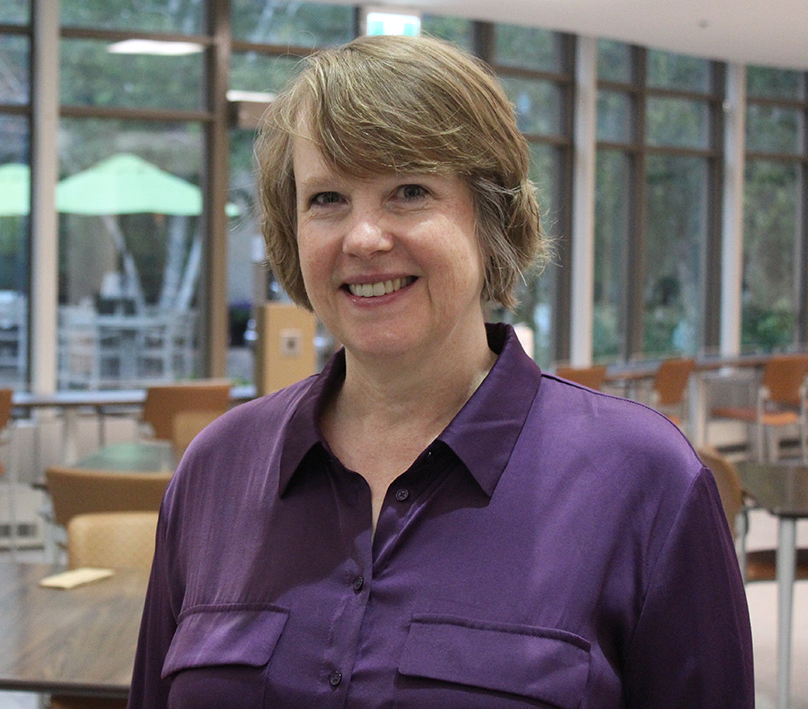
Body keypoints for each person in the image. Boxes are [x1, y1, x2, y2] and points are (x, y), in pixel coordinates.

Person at [129, 34, 753, 707]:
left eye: (409, 191)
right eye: (327, 199)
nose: (363, 237)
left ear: (493, 220)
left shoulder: (643, 478)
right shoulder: (217, 470)